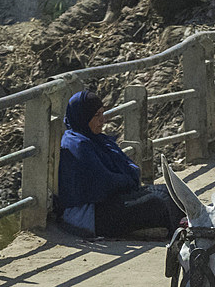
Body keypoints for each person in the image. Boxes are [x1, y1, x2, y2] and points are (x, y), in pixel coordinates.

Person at [57, 90, 184, 239]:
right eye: (96, 115)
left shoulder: (96, 139)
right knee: (155, 202)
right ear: (82, 117)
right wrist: (127, 179)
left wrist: (128, 178)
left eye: (102, 114)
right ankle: (179, 232)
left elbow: (127, 168)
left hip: (108, 200)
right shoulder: (77, 145)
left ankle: (182, 226)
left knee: (170, 190)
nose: (102, 120)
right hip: (90, 214)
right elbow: (102, 182)